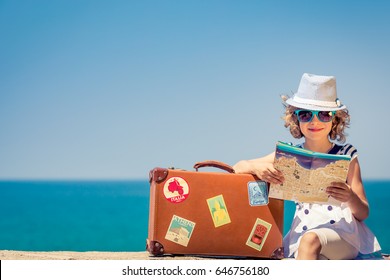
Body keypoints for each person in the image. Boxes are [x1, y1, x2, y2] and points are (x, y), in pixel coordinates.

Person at [233, 73, 381, 260]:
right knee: (311, 249)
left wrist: (350, 196)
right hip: (301, 233)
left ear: (335, 119)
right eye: (305, 114)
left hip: (343, 235)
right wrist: (256, 169)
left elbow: (363, 212)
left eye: (324, 115)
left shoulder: (347, 154)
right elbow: (238, 167)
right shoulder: (288, 155)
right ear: (296, 119)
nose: (314, 121)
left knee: (311, 240)